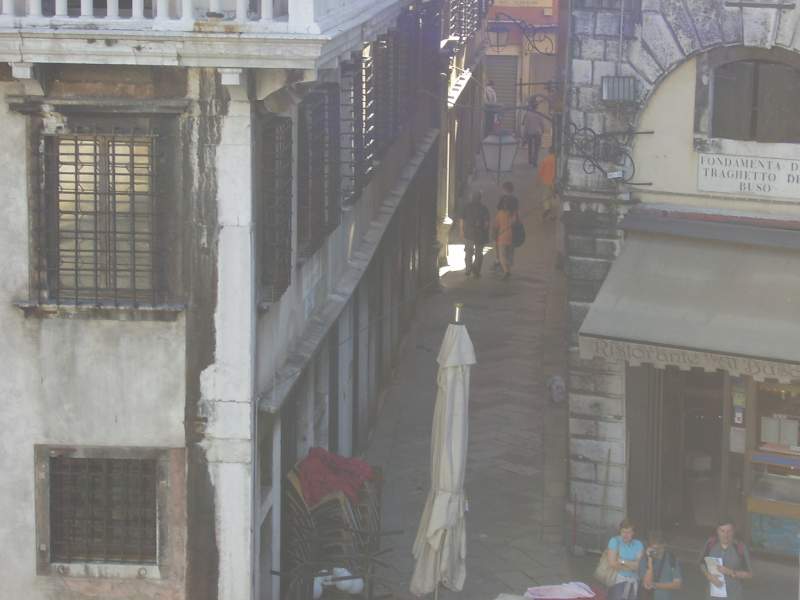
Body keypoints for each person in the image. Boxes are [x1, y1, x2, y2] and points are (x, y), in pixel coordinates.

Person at [699, 517, 752, 600]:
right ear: (717, 531)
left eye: (729, 531)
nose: (725, 535)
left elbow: (749, 574)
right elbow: (702, 563)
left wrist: (731, 572)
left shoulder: (740, 547)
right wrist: (708, 576)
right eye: (722, 531)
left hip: (733, 596)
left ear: (734, 531)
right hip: (712, 596)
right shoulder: (711, 543)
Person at [606, 518, 644, 600]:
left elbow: (637, 566)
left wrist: (622, 561)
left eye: (629, 532)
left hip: (634, 580)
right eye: (623, 531)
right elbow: (612, 563)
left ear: (633, 533)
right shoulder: (615, 541)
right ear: (620, 531)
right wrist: (631, 566)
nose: (625, 535)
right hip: (618, 580)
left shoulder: (638, 544)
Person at [640, 530, 682, 600]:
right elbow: (647, 583)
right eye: (653, 548)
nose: (656, 551)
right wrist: (650, 560)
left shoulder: (671, 559)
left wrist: (655, 585)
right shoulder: (645, 559)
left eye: (658, 548)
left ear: (664, 546)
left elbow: (677, 584)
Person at [459, 191, 490, 278]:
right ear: (480, 198)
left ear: (472, 197)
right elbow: (486, 223)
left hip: (469, 233)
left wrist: (461, 231)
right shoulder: (484, 208)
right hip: (480, 234)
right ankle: (476, 270)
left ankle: (468, 269)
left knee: (468, 252)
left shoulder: (467, 207)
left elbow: (461, 219)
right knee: (479, 253)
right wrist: (484, 231)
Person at [492, 182, 519, 280]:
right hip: (512, 235)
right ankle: (508, 267)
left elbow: (496, 225)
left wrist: (494, 233)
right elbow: (516, 219)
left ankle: (503, 267)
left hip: (502, 235)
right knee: (510, 251)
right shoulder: (515, 202)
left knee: (501, 253)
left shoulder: (500, 210)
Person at [521, 99, 547, 167]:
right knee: (536, 149)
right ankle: (535, 162)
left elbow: (526, 125)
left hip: (530, 133)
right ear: (536, 107)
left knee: (530, 148)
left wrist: (524, 136)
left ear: (531, 106)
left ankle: (530, 161)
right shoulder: (539, 114)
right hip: (538, 133)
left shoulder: (528, 114)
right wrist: (543, 130)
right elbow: (542, 124)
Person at [537, 145, 557, 221]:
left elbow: (541, 171)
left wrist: (538, 180)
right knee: (552, 197)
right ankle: (552, 215)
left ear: (549, 151)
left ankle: (547, 209)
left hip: (546, 181)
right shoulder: (556, 160)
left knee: (545, 197)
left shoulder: (546, 160)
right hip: (554, 182)